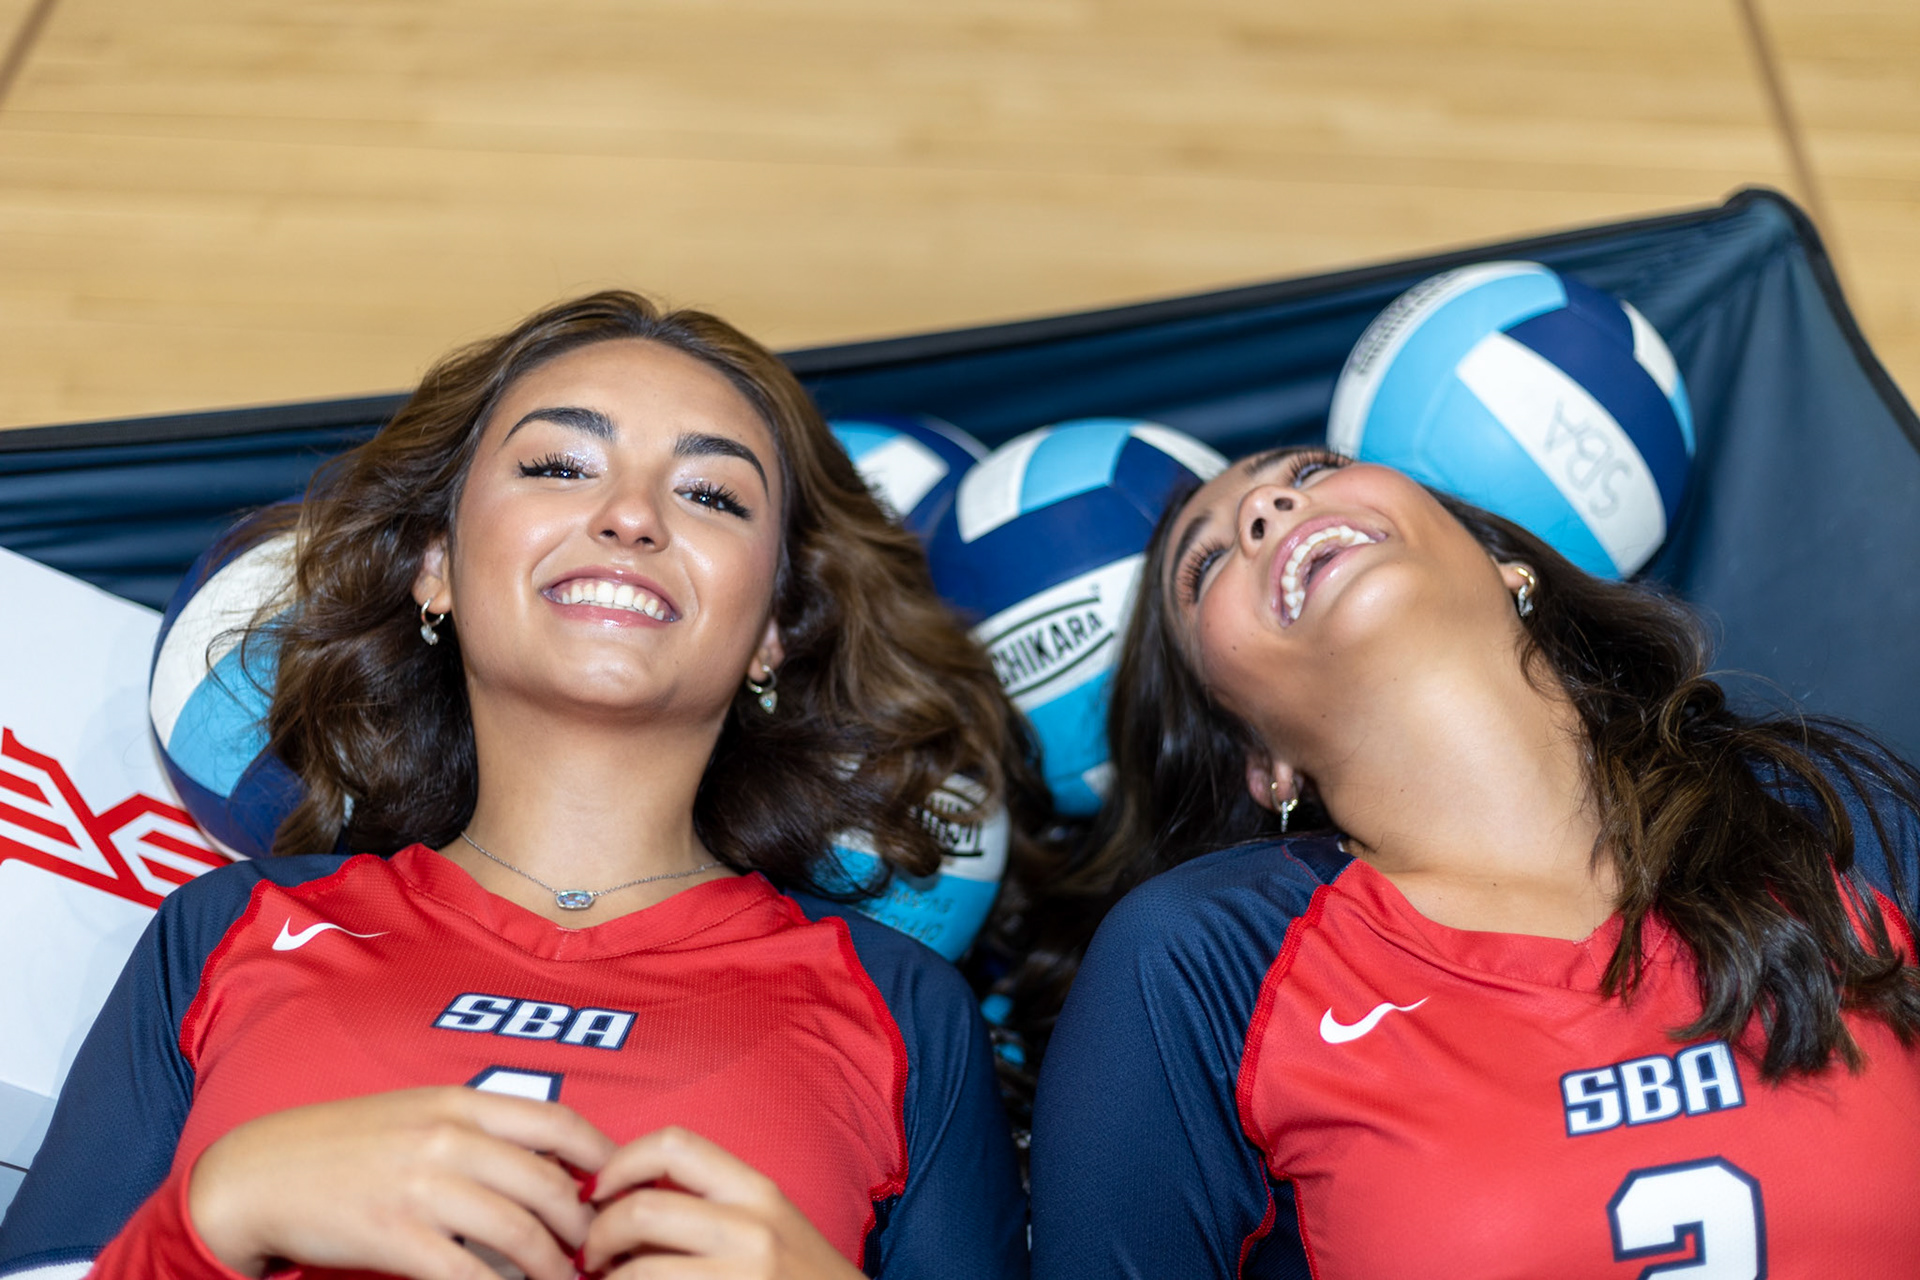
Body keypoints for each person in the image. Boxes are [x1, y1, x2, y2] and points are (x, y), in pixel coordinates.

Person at [0, 292, 1036, 1280]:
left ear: (772, 630)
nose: (632, 515)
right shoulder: (227, 926)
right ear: (436, 566)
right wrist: (217, 1211)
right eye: (558, 464)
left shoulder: (903, 1006)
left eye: (712, 493)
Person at [1024, 446, 1920, 1278]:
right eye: (1206, 565)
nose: (1266, 504)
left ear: (1506, 565)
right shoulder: (1201, 962)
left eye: (1317, 467)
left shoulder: (1837, 825)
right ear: (1260, 760)